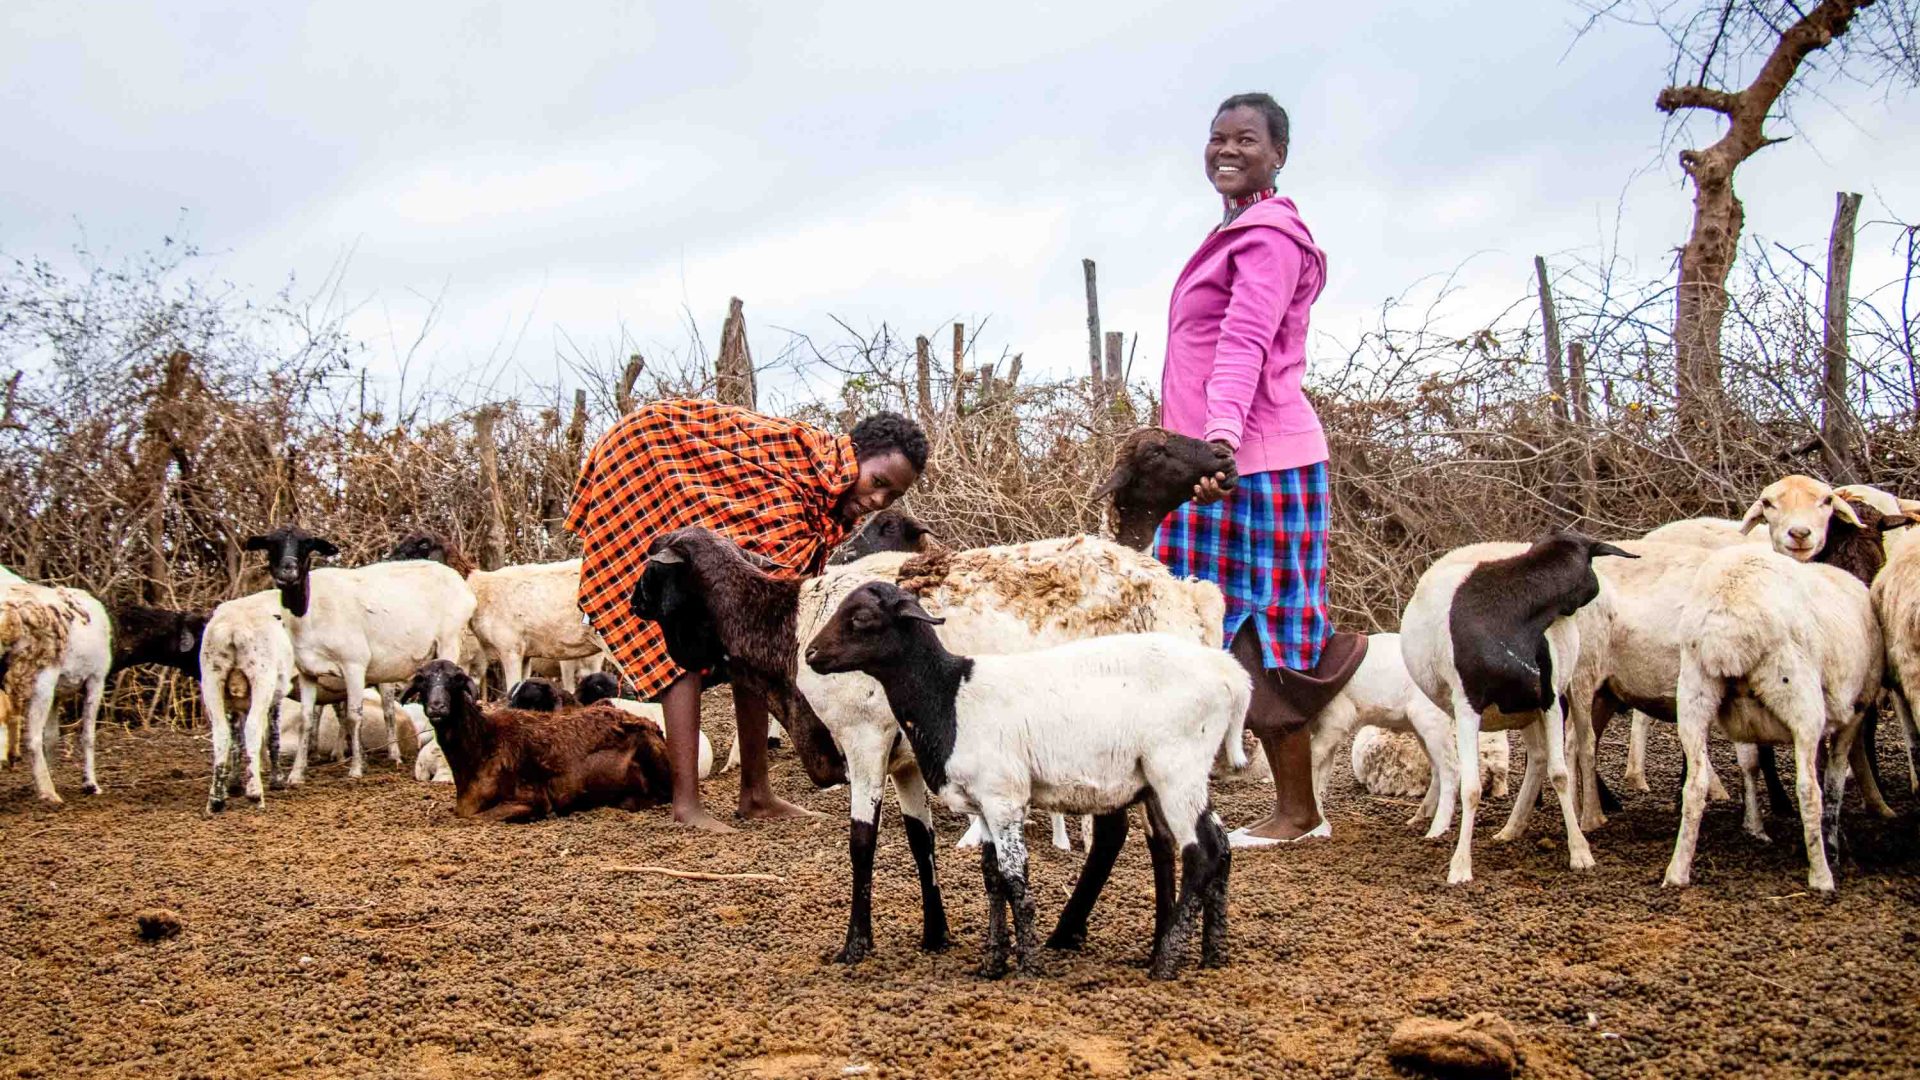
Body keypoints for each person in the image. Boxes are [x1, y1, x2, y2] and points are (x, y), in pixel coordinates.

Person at [1153, 93, 1365, 846]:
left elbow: (1244, 343)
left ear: (1278, 154)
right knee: (1188, 619)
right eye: (1216, 138)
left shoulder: (1270, 237)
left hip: (1255, 462)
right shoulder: (1236, 231)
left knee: (1273, 627)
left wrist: (1217, 446)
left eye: (1246, 139)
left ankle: (1299, 811)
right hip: (1214, 460)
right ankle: (1175, 793)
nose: (1226, 150)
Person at [566, 398, 928, 832]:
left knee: (757, 634)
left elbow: (760, 630)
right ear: (854, 455)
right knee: (675, 629)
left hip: (668, 465)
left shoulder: (823, 503)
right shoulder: (794, 478)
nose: (877, 500)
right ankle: (686, 805)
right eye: (878, 482)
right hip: (647, 463)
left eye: (892, 496)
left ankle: (756, 793)